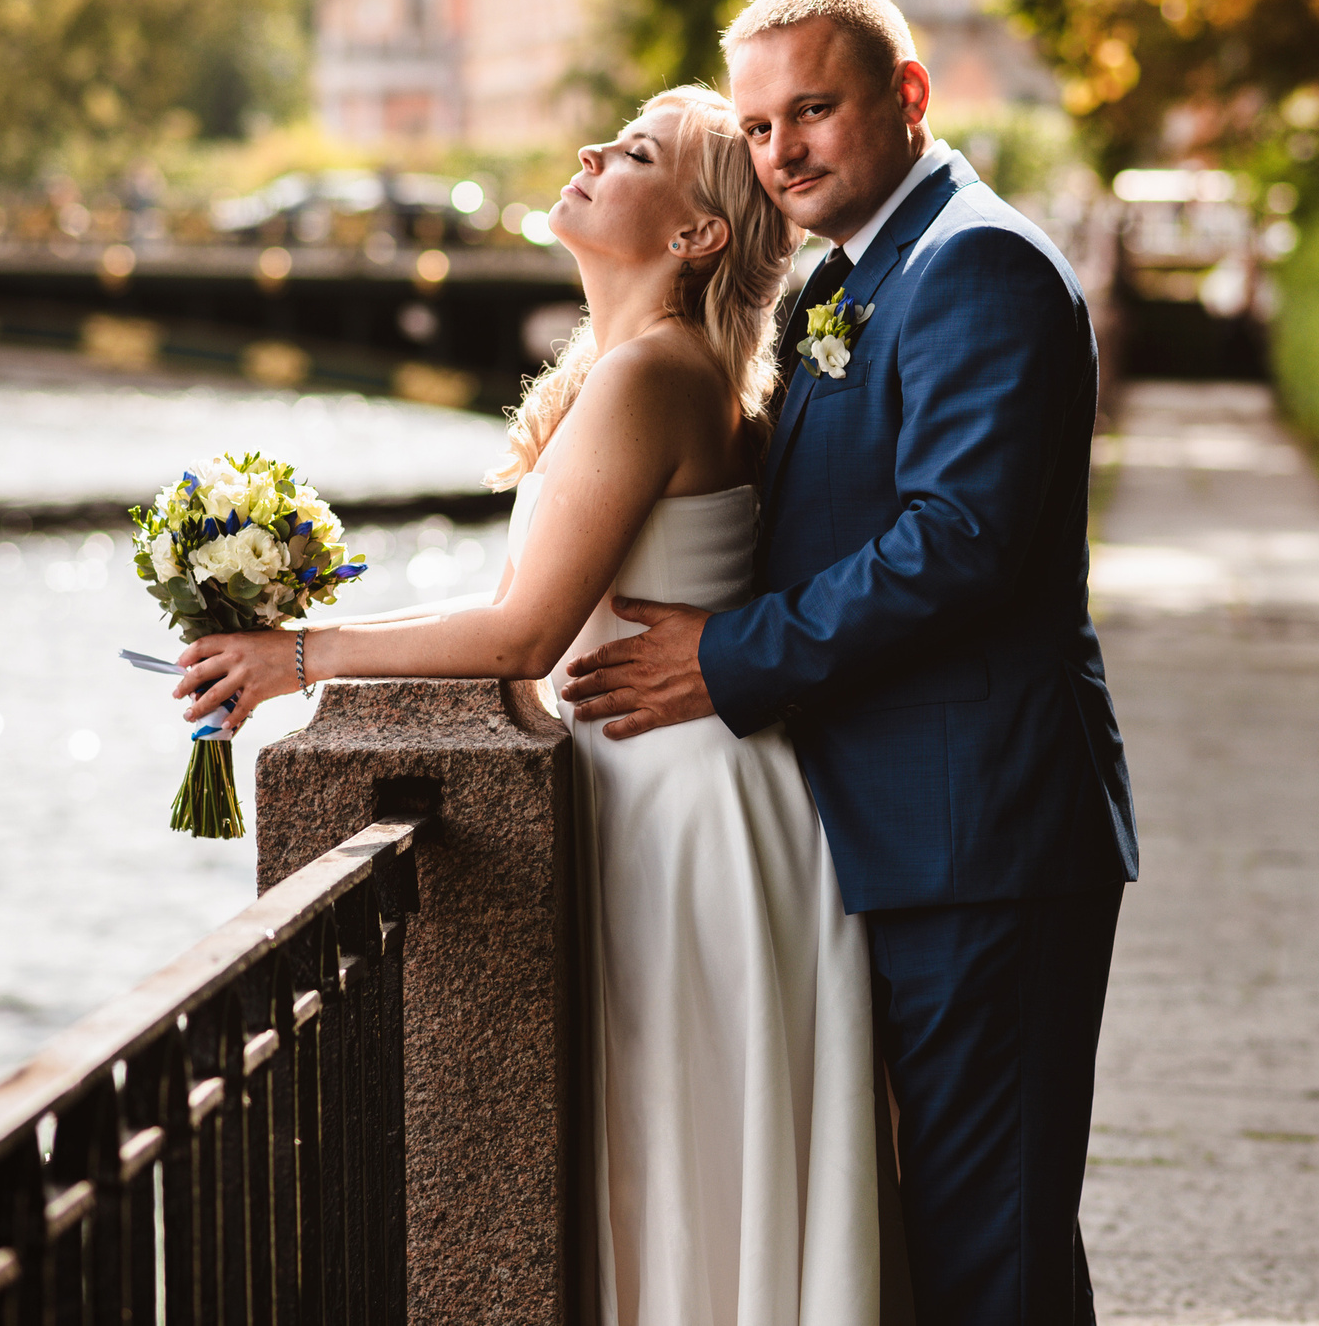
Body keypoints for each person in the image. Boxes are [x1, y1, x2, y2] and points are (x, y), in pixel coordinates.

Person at [170, 85, 887, 1325]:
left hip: (680, 806)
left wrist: (301, 659)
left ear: (696, 233)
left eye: (637, 151)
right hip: (680, 782)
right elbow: (523, 601)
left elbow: (524, 636)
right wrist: (302, 638)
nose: (593, 151)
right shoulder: (640, 367)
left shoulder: (652, 373)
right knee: (677, 1160)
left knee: (674, 1155)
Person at [560, 0, 1139, 1325]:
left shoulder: (977, 264)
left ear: (909, 94)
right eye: (760, 127)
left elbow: (960, 541)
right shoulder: (858, 271)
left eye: (812, 111)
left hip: (980, 834)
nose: (783, 151)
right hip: (893, 828)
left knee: (987, 1244)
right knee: (952, 1234)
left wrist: (729, 655)